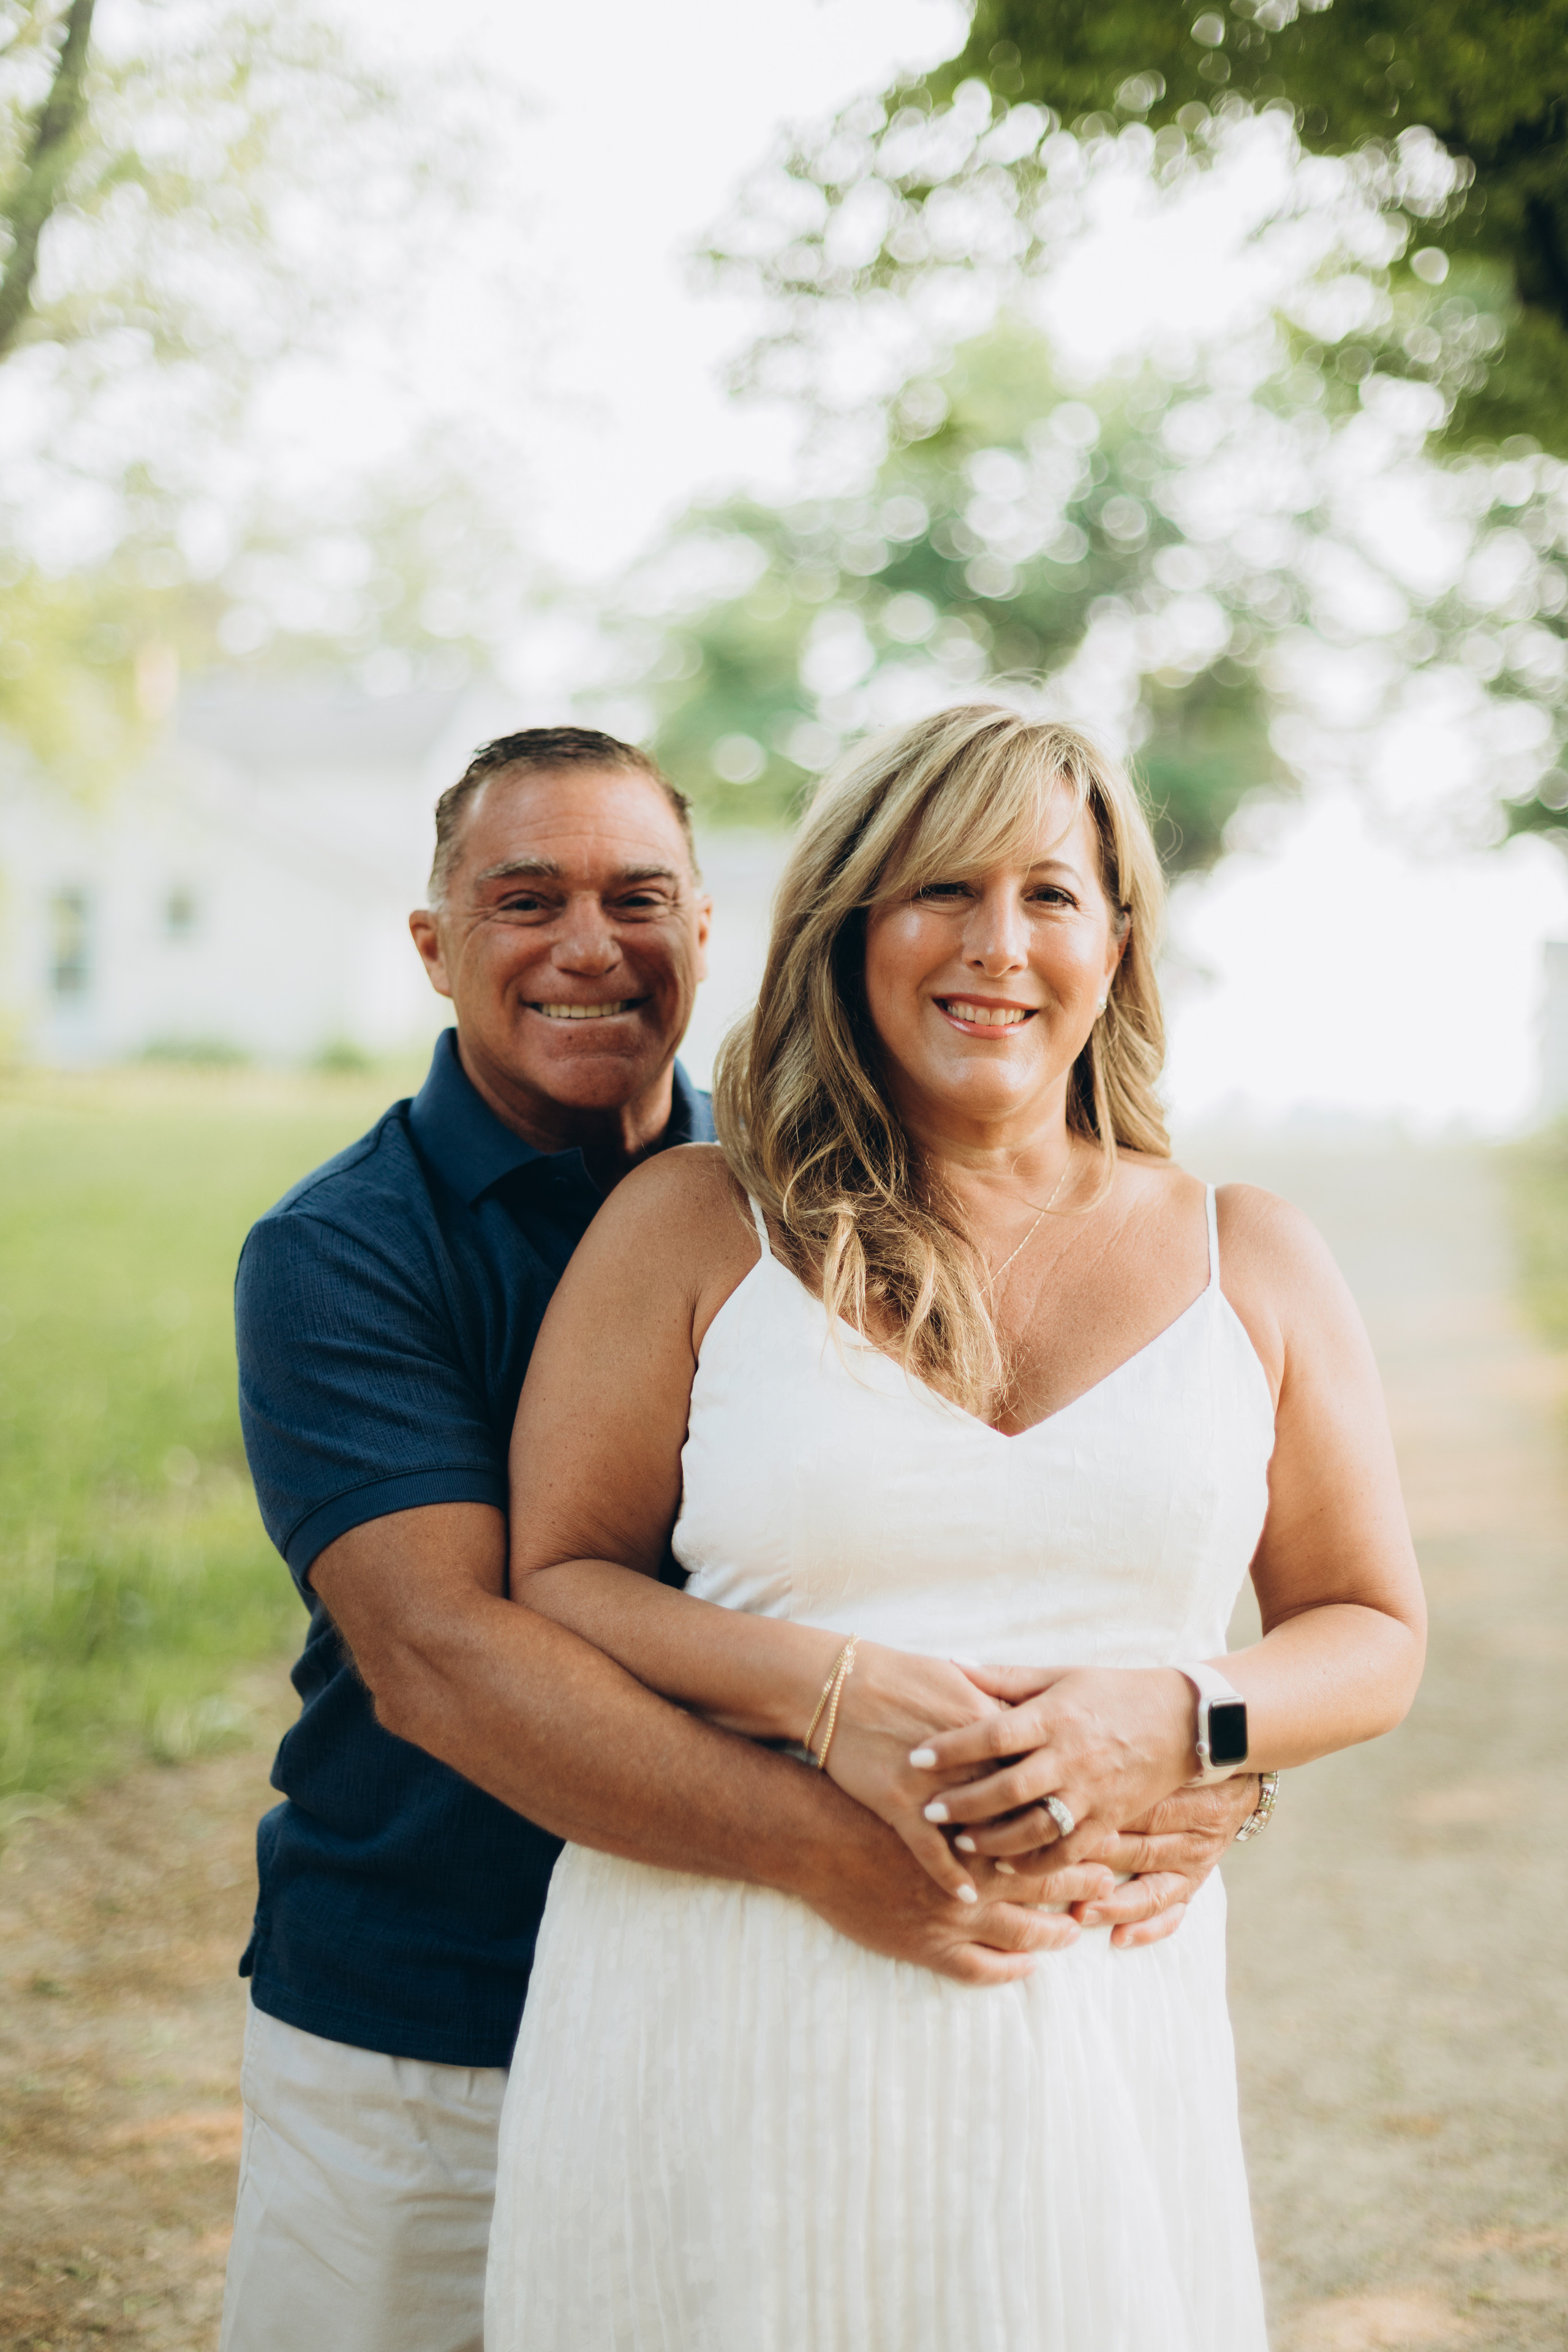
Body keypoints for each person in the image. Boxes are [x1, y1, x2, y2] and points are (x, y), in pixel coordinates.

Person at [219, 724, 1256, 2352]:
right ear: (433, 945)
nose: (590, 946)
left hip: (731, 1995)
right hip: (430, 2006)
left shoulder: (786, 1202)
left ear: (713, 932)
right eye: (524, 900)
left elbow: (1023, 1541)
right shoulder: (341, 1254)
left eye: (640, 897)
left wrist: (1200, 1748)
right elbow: (445, 1660)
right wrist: (852, 1852)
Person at [484, 706, 1427, 2351]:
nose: (997, 947)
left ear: (1118, 944)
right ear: (850, 932)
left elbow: (1370, 1632)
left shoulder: (1253, 1258)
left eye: (1052, 897)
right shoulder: (697, 1224)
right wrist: (828, 1694)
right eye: (940, 891)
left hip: (1090, 2024)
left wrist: (1181, 1717)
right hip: (719, 1994)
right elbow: (555, 1579)